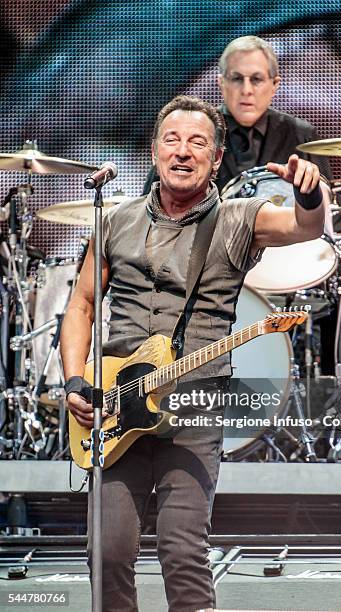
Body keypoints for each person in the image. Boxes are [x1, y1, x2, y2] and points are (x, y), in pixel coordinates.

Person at [61, 95, 325, 612]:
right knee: (107, 552)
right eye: (173, 140)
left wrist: (309, 197)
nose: (183, 152)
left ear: (218, 154)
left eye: (198, 142)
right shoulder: (114, 221)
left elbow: (303, 228)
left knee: (182, 552)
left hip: (194, 407)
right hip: (116, 405)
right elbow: (83, 303)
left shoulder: (238, 219)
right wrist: (74, 381)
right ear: (155, 149)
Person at [143, 35, 332, 196]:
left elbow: (332, 214)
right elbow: (150, 205)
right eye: (237, 79)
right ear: (221, 83)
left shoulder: (302, 135)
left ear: (274, 84)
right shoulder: (188, 131)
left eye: (256, 79)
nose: (246, 90)